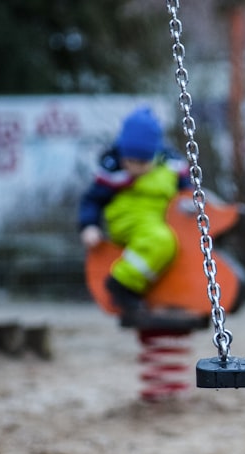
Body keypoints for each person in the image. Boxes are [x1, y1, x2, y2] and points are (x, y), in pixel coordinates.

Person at [78, 106, 191, 325]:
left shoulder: (171, 167)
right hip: (127, 220)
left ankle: (162, 290)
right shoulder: (113, 171)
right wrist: (89, 225)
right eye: (129, 161)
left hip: (159, 220)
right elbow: (92, 200)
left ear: (155, 155)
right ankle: (121, 282)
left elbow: (187, 193)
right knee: (160, 241)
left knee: (175, 242)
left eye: (142, 162)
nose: (135, 168)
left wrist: (191, 206)